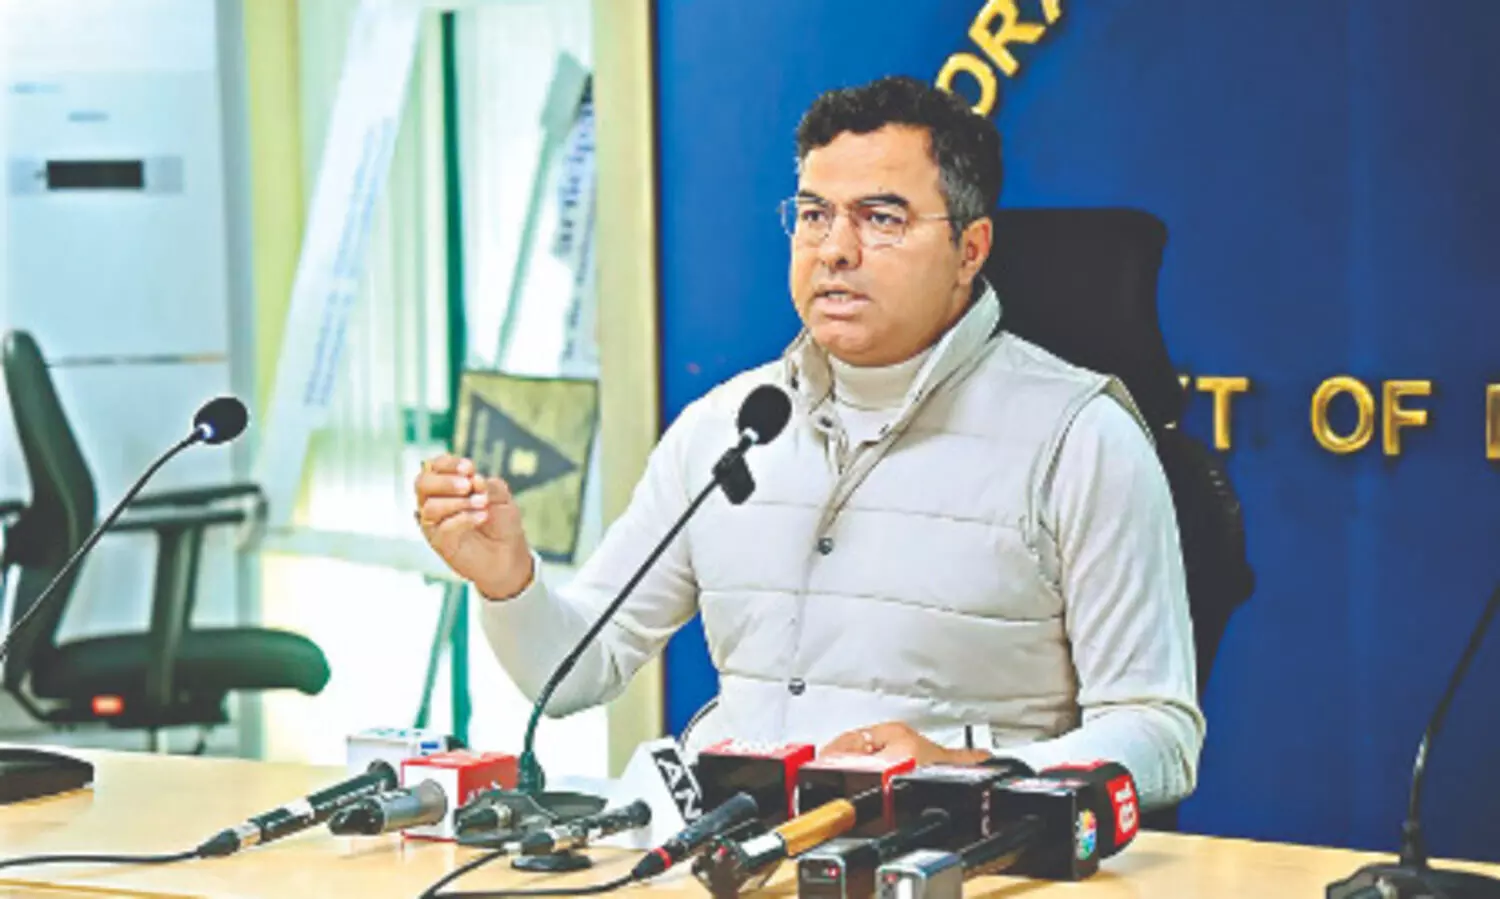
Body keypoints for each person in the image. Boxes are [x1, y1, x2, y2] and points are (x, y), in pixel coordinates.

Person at [414, 76, 1204, 810]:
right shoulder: (729, 425)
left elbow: (1160, 733)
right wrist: (509, 583)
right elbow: (574, 672)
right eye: (816, 214)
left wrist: (975, 769)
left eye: (881, 218)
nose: (835, 249)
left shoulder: (1079, 438)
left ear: (970, 249)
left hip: (949, 863)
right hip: (726, 854)